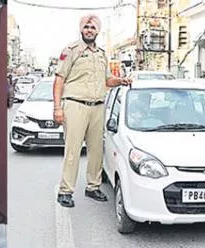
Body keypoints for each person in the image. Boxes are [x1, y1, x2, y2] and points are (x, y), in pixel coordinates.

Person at [52, 14, 131, 207]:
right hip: (75, 105)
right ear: (81, 29)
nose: (89, 30)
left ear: (97, 31)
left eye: (93, 27)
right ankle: (65, 191)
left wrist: (121, 80)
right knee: (73, 151)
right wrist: (57, 108)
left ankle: (93, 187)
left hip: (97, 107)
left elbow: (107, 80)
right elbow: (59, 79)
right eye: (86, 27)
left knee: (96, 150)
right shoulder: (71, 50)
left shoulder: (101, 54)